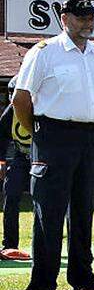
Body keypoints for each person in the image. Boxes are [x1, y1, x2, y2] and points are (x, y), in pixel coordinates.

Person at [11, 0, 94, 290]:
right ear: (64, 19)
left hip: (90, 137)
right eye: (80, 17)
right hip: (54, 135)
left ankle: (83, 280)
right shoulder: (44, 52)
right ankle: (42, 285)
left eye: (91, 17)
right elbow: (21, 99)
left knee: (83, 211)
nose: (88, 23)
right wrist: (39, 134)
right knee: (49, 212)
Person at [1, 83, 33, 261]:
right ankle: (10, 245)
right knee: (10, 194)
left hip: (43, 159)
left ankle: (45, 244)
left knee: (44, 201)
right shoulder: (10, 112)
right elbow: (1, 135)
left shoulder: (41, 108)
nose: (15, 98)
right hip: (21, 157)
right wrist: (1, 161)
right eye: (12, 93)